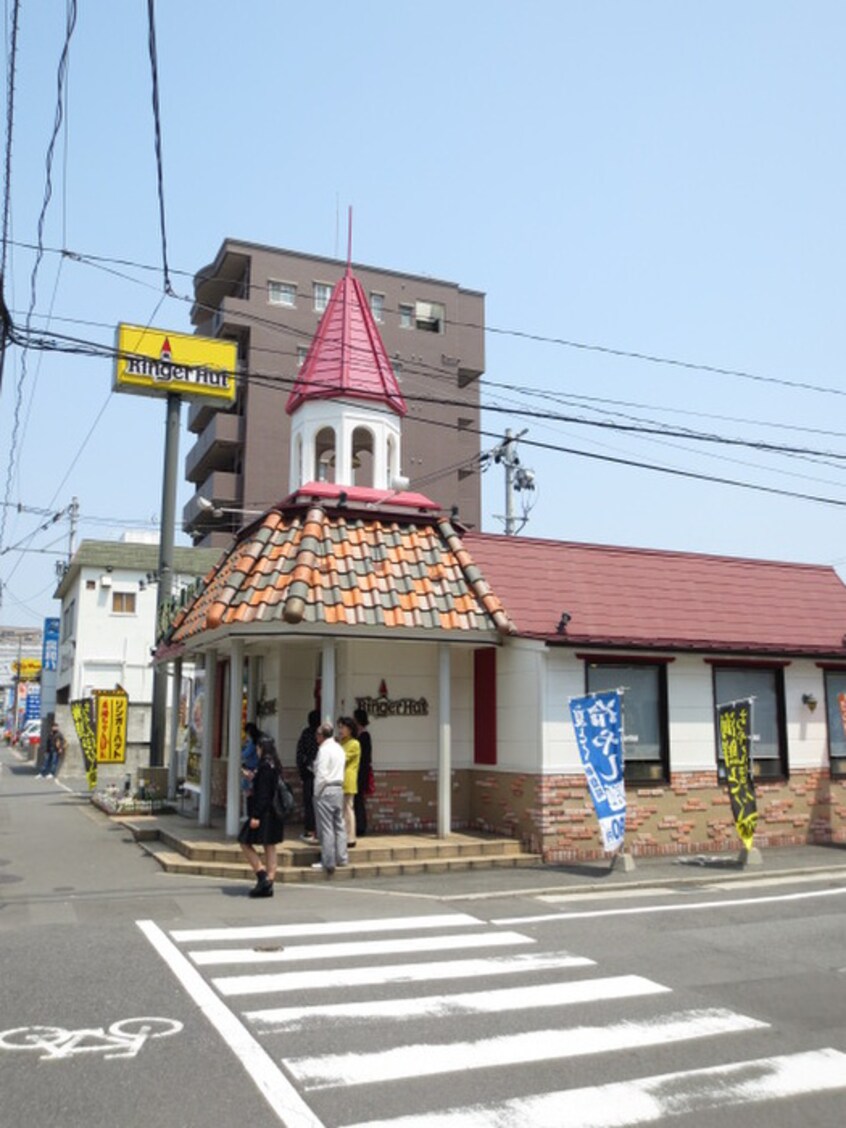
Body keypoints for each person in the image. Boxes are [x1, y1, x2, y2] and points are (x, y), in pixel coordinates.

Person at [237, 735, 285, 898]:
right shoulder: (275, 765)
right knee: (270, 845)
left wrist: (255, 816)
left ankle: (261, 874)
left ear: (262, 748)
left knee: (244, 841)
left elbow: (264, 794)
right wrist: (253, 778)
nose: (256, 751)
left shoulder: (264, 766)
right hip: (274, 812)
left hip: (263, 813)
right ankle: (269, 883)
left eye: (258, 748)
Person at [311, 721, 347, 874]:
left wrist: (316, 792)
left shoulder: (324, 750)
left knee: (326, 827)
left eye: (317, 735)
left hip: (326, 789)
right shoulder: (339, 748)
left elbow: (321, 774)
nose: (316, 738)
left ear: (321, 735)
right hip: (339, 787)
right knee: (339, 824)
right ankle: (342, 858)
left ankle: (328, 861)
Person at [295, 709, 320, 841]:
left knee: (309, 802)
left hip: (309, 774)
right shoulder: (322, 737)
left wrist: (303, 772)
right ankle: (319, 830)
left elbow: (299, 754)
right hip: (322, 775)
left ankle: (310, 830)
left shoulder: (306, 734)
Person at [337, 716, 361, 848]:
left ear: (350, 729)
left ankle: (351, 837)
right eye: (339, 727)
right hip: (339, 779)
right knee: (342, 810)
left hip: (348, 778)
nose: (340, 730)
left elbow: (342, 758)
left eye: (343, 727)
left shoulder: (354, 743)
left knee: (348, 808)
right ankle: (343, 836)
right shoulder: (341, 742)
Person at [353, 707, 372, 838]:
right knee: (355, 799)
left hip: (361, 772)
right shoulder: (357, 735)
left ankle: (360, 826)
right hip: (356, 771)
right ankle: (356, 825)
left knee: (358, 799)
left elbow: (365, 757)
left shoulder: (364, 736)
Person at [241, 722, 262, 799]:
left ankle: (249, 807)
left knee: (248, 790)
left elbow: (245, 754)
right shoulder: (258, 741)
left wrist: (242, 749)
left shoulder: (252, 743)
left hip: (251, 768)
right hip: (256, 767)